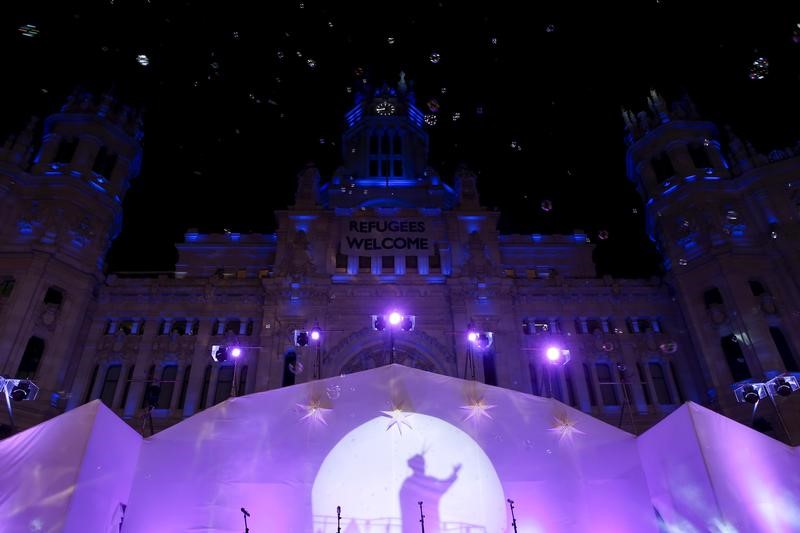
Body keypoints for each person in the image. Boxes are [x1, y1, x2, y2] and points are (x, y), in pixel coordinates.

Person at [399, 454, 461, 533]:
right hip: (430, 528)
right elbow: (444, 485)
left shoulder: (407, 483)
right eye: (423, 464)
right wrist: (454, 473)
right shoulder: (428, 481)